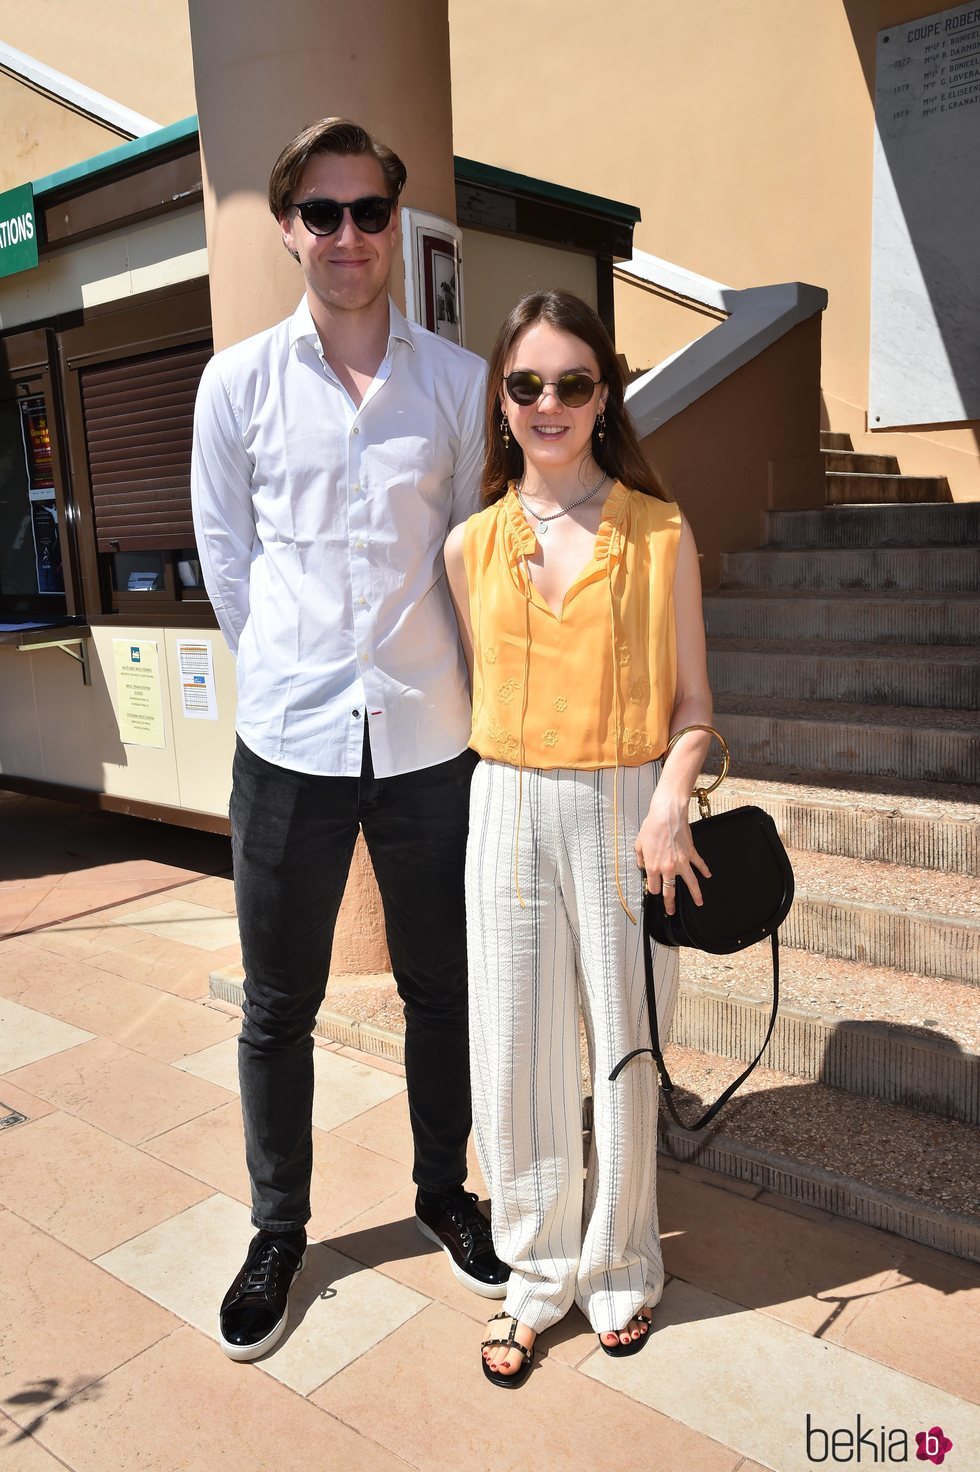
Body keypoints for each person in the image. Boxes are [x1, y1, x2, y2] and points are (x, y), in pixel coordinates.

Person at [191, 117, 508, 1363]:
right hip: (288, 741)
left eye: (366, 211)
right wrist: (287, 666)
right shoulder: (237, 385)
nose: (345, 236)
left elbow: (480, 556)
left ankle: (443, 1190)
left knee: (443, 987)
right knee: (278, 1006)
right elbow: (228, 560)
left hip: (432, 735)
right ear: (286, 227)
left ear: (397, 220)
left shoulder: (459, 381)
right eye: (319, 214)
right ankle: (279, 1229)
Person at [444, 289, 713, 1387]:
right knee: (512, 1055)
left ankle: (621, 1264)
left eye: (572, 382)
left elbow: (696, 706)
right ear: (500, 400)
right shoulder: (467, 546)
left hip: (623, 804)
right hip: (502, 801)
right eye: (525, 383)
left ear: (604, 395)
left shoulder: (658, 531)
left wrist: (666, 796)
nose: (547, 402)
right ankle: (536, 1272)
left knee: (622, 1052)